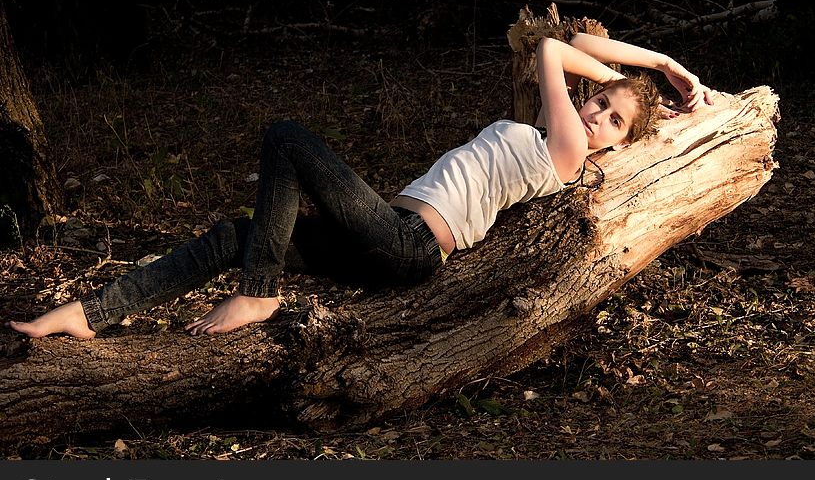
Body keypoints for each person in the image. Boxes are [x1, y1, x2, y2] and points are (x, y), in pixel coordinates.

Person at [6, 33, 715, 340]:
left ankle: (259, 291)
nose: (595, 113)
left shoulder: (566, 150)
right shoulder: (555, 130)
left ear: (617, 144)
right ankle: (89, 313)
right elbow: (580, 50)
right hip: (388, 234)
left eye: (613, 120)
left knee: (286, 137)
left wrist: (642, 83)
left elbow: (554, 49)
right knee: (234, 234)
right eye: (598, 103)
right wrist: (662, 64)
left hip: (407, 244)